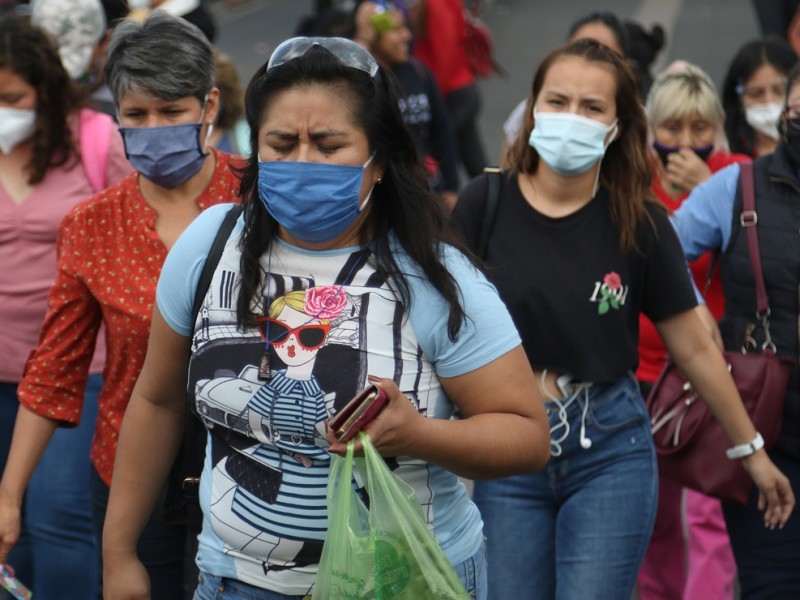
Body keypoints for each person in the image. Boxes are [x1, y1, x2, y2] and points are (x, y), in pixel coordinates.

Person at [100, 35, 551, 599]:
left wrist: (421, 434)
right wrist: (118, 555)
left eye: (329, 144)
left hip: (403, 583)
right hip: (235, 582)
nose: (302, 162)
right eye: (281, 143)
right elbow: (157, 400)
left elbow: (527, 436)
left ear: (379, 161)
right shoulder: (209, 247)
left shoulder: (436, 278)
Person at [452, 38, 794, 599]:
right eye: (557, 101)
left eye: (592, 108)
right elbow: (437, 327)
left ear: (616, 127)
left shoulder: (641, 223)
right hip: (510, 446)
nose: (571, 118)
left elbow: (697, 347)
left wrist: (751, 452)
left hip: (610, 449)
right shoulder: (483, 203)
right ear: (533, 108)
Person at [0, 10, 242, 599]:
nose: (153, 127)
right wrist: (8, 499)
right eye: (137, 115)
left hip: (255, 475)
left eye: (172, 111)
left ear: (208, 106)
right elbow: (56, 370)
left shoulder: (258, 198)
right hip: (133, 485)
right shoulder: (92, 224)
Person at [0, 14, 131, 599]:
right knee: (10, 530)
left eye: (12, 98)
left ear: (46, 91)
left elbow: (137, 241)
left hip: (79, 372)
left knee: (59, 517)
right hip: (1, 377)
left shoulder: (97, 140)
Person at [671, 60, 800, 600]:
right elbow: (662, 256)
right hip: (767, 441)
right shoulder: (739, 187)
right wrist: (695, 310)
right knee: (772, 585)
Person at [635, 63, 750, 600]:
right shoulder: (632, 183)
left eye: (699, 130)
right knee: (651, 517)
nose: (685, 143)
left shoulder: (738, 177)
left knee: (707, 515)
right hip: (641, 374)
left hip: (711, 375)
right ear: (650, 129)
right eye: (672, 129)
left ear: (719, 126)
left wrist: (711, 195)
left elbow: (756, 271)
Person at [354, 0, 460, 210]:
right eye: (396, 30)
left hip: (426, 188)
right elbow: (345, 81)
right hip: (382, 196)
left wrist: (451, 187)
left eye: (405, 27)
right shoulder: (364, 79)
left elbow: (442, 129)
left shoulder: (418, 71)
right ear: (375, 35)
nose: (406, 36)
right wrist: (363, 38)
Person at [501, 10, 630, 163]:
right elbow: (507, 167)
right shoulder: (527, 110)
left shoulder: (640, 124)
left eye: (594, 108)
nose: (589, 60)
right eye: (557, 102)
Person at [410, 0, 489, 179]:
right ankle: (496, 201)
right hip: (458, 92)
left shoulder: (438, 3)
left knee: (442, 161)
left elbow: (444, 55)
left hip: (453, 95)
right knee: (473, 161)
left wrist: (431, 97)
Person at [721, 36, 797, 158]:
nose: (769, 101)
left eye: (780, 90)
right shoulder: (725, 157)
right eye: (756, 93)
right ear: (739, 99)